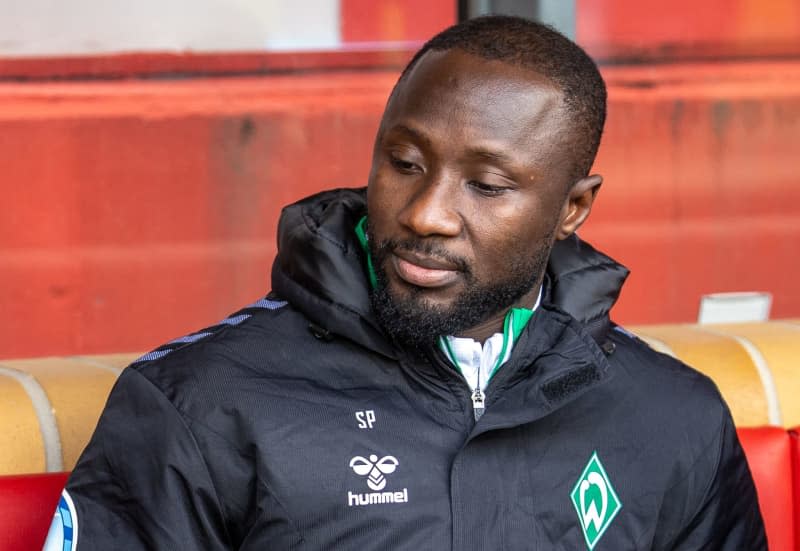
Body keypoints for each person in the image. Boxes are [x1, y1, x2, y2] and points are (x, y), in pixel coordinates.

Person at [45, 15, 765, 550]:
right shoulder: (199, 403)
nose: (425, 214)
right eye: (405, 162)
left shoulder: (673, 418)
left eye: (485, 185)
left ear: (571, 208)